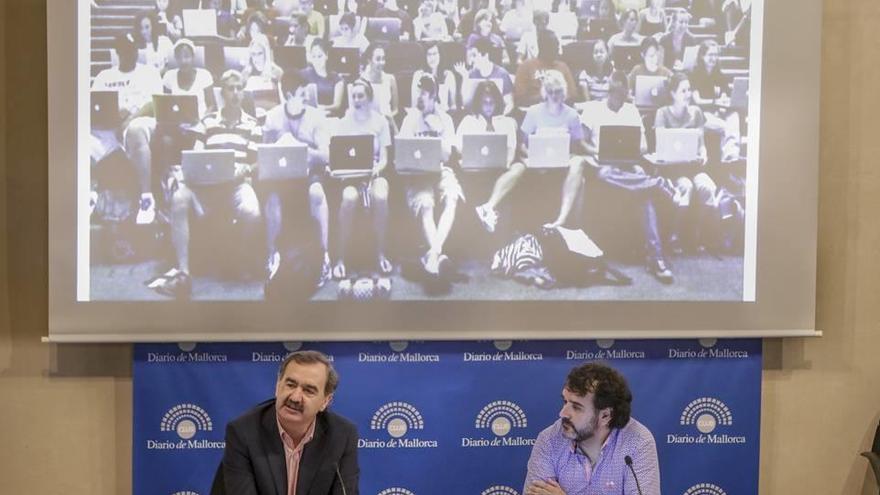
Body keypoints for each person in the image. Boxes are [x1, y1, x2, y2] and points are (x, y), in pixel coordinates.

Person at [546, 70, 675, 283]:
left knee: (643, 188)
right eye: (615, 96)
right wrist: (597, 151)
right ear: (609, 92)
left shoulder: (632, 111)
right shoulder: (594, 110)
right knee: (608, 175)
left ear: (626, 94)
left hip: (627, 165)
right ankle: (656, 184)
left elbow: (643, 146)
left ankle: (656, 257)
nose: (618, 100)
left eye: (622, 97)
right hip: (602, 164)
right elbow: (582, 143)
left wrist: (629, 150)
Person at [147, 70, 262, 298]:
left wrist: (245, 170)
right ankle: (183, 273)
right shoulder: (207, 122)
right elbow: (196, 153)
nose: (236, 93)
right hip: (206, 186)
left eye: (239, 88)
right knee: (180, 197)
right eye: (231, 88)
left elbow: (255, 161)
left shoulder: (252, 124)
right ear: (222, 93)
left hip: (237, 185)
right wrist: (195, 170)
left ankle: (239, 259)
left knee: (253, 211)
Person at [219, 350, 360, 494]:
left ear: (325, 401)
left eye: (308, 390)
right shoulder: (243, 432)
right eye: (290, 385)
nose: (295, 397)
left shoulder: (342, 436)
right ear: (277, 386)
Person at [523, 362, 659, 495]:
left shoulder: (637, 441)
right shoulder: (549, 440)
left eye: (576, 407)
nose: (562, 413)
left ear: (605, 415)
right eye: (565, 402)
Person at [262, 72, 333, 283]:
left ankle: (324, 255)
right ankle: (272, 254)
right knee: (273, 198)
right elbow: (264, 154)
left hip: (310, 171)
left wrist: (301, 150)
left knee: (317, 193)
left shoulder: (316, 116)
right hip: (282, 175)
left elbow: (326, 155)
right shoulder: (273, 117)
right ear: (290, 94)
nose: (306, 98)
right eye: (302, 93)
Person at [90, 34, 164, 225]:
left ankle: (146, 198)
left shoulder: (149, 73)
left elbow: (155, 104)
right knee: (84, 140)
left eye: (132, 49)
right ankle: (90, 194)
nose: (129, 53)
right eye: (124, 50)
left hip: (140, 124)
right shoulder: (104, 77)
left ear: (137, 50)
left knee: (135, 129)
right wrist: (113, 115)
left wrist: (130, 118)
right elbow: (93, 106)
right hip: (110, 127)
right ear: (117, 52)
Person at [399, 75, 463, 275]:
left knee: (452, 198)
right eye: (418, 92)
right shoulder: (410, 119)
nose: (420, 97)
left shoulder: (445, 119)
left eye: (424, 93)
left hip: (441, 169)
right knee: (426, 204)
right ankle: (437, 256)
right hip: (417, 174)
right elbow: (402, 155)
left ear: (434, 95)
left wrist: (438, 130)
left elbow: (447, 155)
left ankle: (432, 255)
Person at [333, 79, 393, 278]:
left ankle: (381, 253)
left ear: (369, 98)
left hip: (375, 173)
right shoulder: (343, 122)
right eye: (354, 96)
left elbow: (385, 158)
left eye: (361, 96)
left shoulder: (380, 121)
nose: (357, 100)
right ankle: (340, 258)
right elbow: (338, 156)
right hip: (351, 176)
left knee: (381, 196)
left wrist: (376, 168)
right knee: (349, 198)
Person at [460, 81, 523, 233]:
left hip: (500, 169)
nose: (488, 106)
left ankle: (487, 207)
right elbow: (460, 149)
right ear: (478, 103)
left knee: (519, 167)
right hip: (475, 170)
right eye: (484, 102)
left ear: (497, 103)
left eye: (491, 102)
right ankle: (487, 209)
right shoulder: (469, 121)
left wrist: (505, 163)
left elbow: (511, 152)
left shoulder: (506, 123)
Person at [689, 39, 741, 162]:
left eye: (716, 55)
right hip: (702, 115)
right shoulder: (694, 74)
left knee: (734, 115)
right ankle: (728, 159)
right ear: (702, 56)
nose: (714, 58)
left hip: (717, 113)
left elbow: (726, 94)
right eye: (710, 55)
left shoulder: (719, 74)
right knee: (726, 127)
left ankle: (731, 155)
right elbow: (697, 100)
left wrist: (724, 100)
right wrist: (715, 102)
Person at [513, 31, 577, 108]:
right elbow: (520, 99)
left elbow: (572, 95)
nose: (557, 50)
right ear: (542, 47)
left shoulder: (562, 66)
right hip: (534, 111)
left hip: (560, 110)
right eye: (554, 46)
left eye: (557, 46)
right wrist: (544, 97)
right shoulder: (526, 66)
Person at [468, 38, 515, 114]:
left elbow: (510, 103)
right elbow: (468, 105)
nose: (471, 60)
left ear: (485, 55)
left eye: (474, 56)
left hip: (498, 118)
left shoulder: (502, 74)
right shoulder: (470, 74)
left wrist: (501, 117)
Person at [299, 38, 345, 116]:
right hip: (308, 116)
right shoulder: (304, 74)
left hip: (328, 117)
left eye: (320, 56)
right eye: (314, 56)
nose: (317, 60)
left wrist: (320, 108)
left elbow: (337, 105)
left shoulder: (337, 79)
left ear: (326, 55)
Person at [411, 41, 457, 112]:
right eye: (429, 54)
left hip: (443, 116)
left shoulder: (448, 75)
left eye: (435, 54)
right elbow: (414, 104)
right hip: (423, 115)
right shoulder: (418, 75)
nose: (432, 58)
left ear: (440, 55)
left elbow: (453, 105)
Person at [360, 44, 399, 121]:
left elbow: (395, 109)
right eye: (378, 59)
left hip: (386, 121)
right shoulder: (362, 80)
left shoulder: (390, 79)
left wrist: (389, 117)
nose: (382, 63)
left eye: (383, 59)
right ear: (369, 61)